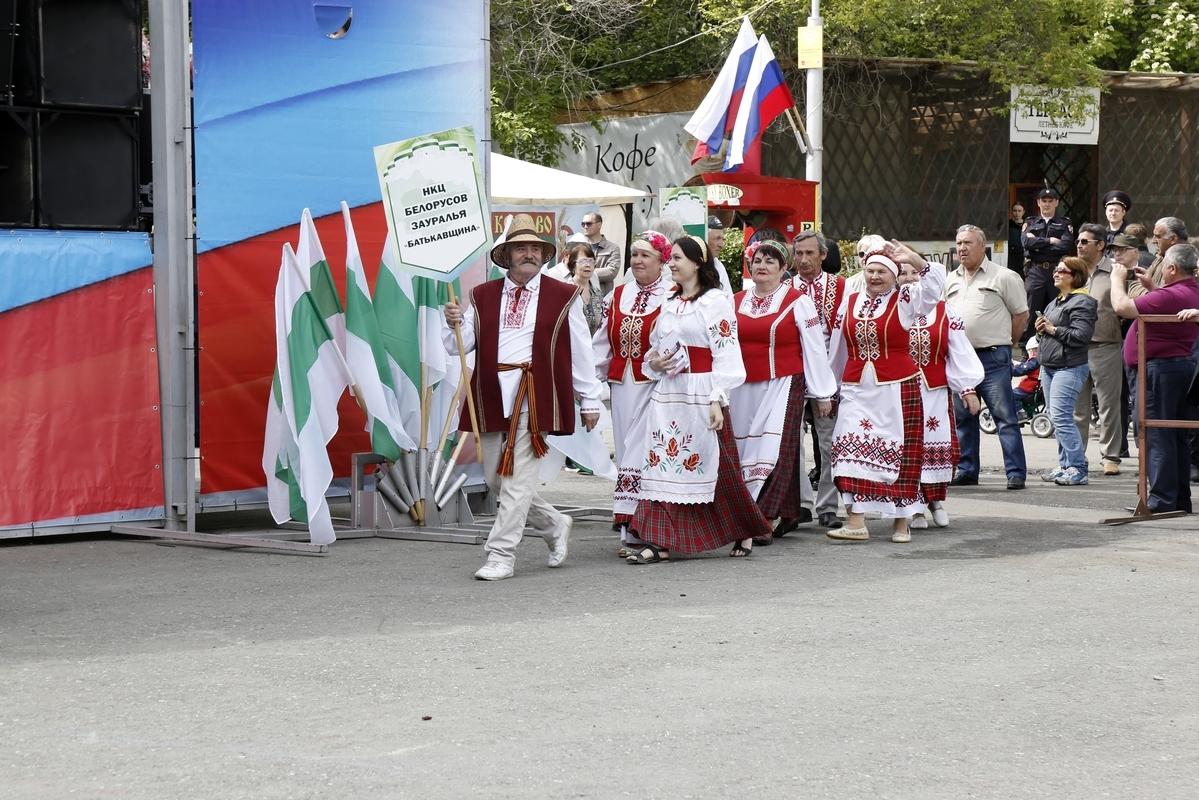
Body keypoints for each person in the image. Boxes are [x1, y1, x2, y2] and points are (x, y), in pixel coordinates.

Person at [442, 213, 603, 581]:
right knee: (498, 480)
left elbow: (580, 349)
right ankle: (553, 523)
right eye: (521, 248)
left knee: (515, 480)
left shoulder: (564, 296)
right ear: (507, 255)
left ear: (543, 254)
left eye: (534, 248)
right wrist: (450, 320)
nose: (529, 254)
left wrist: (590, 398)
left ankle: (501, 554)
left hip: (535, 395)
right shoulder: (481, 296)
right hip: (490, 394)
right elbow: (457, 346)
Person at [624, 235, 772, 563]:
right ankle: (659, 540)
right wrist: (656, 362)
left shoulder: (715, 301)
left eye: (677, 258)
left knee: (719, 469)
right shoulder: (670, 301)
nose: (671, 264)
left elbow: (726, 351)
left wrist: (717, 397)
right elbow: (656, 346)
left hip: (702, 392)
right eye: (670, 258)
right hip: (669, 393)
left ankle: (743, 527)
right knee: (662, 464)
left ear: (696, 263)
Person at [826, 241, 946, 543]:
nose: (875, 276)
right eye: (870, 270)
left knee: (900, 454)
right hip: (856, 388)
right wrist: (828, 388)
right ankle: (856, 521)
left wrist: (916, 260)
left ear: (894, 276)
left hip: (896, 387)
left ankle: (901, 523)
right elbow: (838, 347)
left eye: (882, 271)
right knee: (848, 449)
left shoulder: (906, 300)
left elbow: (934, 288)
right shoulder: (850, 301)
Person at [729, 239, 837, 541]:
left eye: (770, 262)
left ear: (782, 268)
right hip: (742, 388)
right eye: (758, 261)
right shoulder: (735, 301)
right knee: (744, 450)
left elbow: (815, 349)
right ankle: (766, 513)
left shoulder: (797, 301)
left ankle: (765, 516)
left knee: (775, 450)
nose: (762, 266)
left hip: (783, 383)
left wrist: (822, 393)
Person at [593, 231, 671, 555]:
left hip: (656, 387)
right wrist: (590, 381)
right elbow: (602, 341)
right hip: (622, 387)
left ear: (661, 261)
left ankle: (644, 527)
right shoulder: (618, 295)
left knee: (645, 454)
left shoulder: (671, 296)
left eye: (645, 255)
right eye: (635, 254)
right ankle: (629, 529)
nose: (637, 261)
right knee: (626, 453)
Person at [1110, 243, 1199, 513]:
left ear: (1172, 269)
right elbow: (1167, 305)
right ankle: (1177, 498)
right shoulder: (1186, 291)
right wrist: (1152, 288)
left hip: (1159, 370)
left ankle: (1161, 499)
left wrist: (1116, 279)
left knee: (1156, 433)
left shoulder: (1175, 294)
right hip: (1176, 368)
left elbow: (1122, 307)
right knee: (1174, 435)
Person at [897, 260, 983, 530]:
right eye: (903, 274)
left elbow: (958, 351)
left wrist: (967, 388)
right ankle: (914, 506)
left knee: (932, 447)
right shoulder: (891, 309)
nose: (910, 279)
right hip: (898, 392)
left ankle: (934, 501)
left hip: (933, 392)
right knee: (906, 450)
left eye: (915, 272)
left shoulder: (947, 313)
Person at [944, 224, 1030, 489]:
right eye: (959, 243)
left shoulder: (1004, 276)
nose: (962, 248)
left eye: (968, 243)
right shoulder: (950, 279)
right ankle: (967, 470)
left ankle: (1015, 473)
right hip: (960, 360)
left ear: (983, 246)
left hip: (992, 357)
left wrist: (1008, 342)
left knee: (1004, 417)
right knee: (963, 418)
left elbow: (1021, 316)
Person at [790, 230, 848, 529]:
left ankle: (827, 505)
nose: (803, 260)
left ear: (823, 255)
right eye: (798, 254)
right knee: (791, 443)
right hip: (794, 376)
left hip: (829, 375)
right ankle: (799, 503)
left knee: (829, 444)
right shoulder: (785, 288)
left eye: (809, 253)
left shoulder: (841, 288)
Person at [1034, 256, 1098, 486]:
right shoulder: (1056, 302)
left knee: (1061, 417)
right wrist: (1042, 329)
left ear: (1076, 276)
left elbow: (1081, 337)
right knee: (1056, 417)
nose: (1056, 273)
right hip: (1051, 366)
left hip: (1069, 366)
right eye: (1056, 270)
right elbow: (1053, 332)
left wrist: (1052, 329)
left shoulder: (1083, 302)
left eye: (1062, 271)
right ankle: (1065, 465)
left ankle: (1078, 468)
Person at [1070, 223, 1127, 476]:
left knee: (1108, 404)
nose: (1079, 245)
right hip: (1075, 346)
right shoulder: (1072, 270)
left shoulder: (1116, 272)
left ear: (1101, 245)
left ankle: (1110, 456)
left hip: (1106, 344)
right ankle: (1075, 456)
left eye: (1085, 241)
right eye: (1079, 241)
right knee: (1077, 407)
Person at [1022, 187, 1075, 341]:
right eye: (1043, 201)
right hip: (1036, 270)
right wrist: (1050, 241)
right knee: (1032, 311)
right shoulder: (1030, 222)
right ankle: (1029, 347)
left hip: (1057, 271)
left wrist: (1037, 244)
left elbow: (1065, 246)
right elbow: (1026, 242)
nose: (1046, 204)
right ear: (1038, 203)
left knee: (1058, 308)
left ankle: (1056, 342)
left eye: (1050, 201)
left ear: (1056, 202)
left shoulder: (1064, 223)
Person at [1129, 217, 1188, 297]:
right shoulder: (1160, 259)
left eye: (1158, 237)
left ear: (1173, 239)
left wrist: (1151, 291)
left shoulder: (1187, 263)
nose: (1153, 241)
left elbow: (1168, 299)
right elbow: (1134, 288)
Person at [581, 211, 623, 298]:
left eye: (589, 224)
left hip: (603, 298)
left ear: (599, 225)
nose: (585, 227)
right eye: (583, 224)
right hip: (581, 297)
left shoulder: (612, 248)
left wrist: (584, 272)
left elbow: (611, 272)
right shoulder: (579, 247)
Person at [564, 243, 604, 334]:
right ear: (573, 264)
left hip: (593, 346)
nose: (588, 265)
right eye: (583, 261)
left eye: (591, 261)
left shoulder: (597, 293)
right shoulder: (565, 291)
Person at [705, 215, 735, 296]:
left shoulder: (718, 265)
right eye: (717, 238)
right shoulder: (690, 263)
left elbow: (729, 299)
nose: (722, 245)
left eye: (722, 239)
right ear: (705, 239)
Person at [1012, 336, 1041, 409]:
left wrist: (1011, 370)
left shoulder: (1035, 361)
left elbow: (1024, 369)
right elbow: (1024, 365)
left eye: (1032, 350)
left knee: (1010, 395)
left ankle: (1019, 411)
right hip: (1028, 386)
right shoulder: (1037, 360)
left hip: (1028, 388)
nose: (1030, 353)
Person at [1008, 202, 1025, 273]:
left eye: (1019, 211)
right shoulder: (1008, 224)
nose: (1017, 213)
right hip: (1011, 255)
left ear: (1023, 212)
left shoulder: (1027, 224)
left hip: (1023, 254)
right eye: (1015, 211)